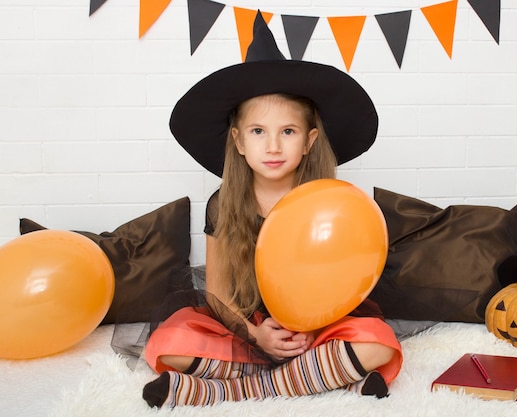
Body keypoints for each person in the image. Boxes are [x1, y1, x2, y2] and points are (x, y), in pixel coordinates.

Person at [142, 12, 403, 408]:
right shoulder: (224, 202)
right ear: (239, 141)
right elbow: (218, 292)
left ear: (309, 141)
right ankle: (316, 375)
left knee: (378, 345)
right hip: (247, 325)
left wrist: (313, 331)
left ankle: (242, 388)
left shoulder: (327, 200)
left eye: (288, 131)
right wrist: (256, 335)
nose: (274, 147)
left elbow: (342, 280)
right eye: (259, 132)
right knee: (168, 345)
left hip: (319, 324)